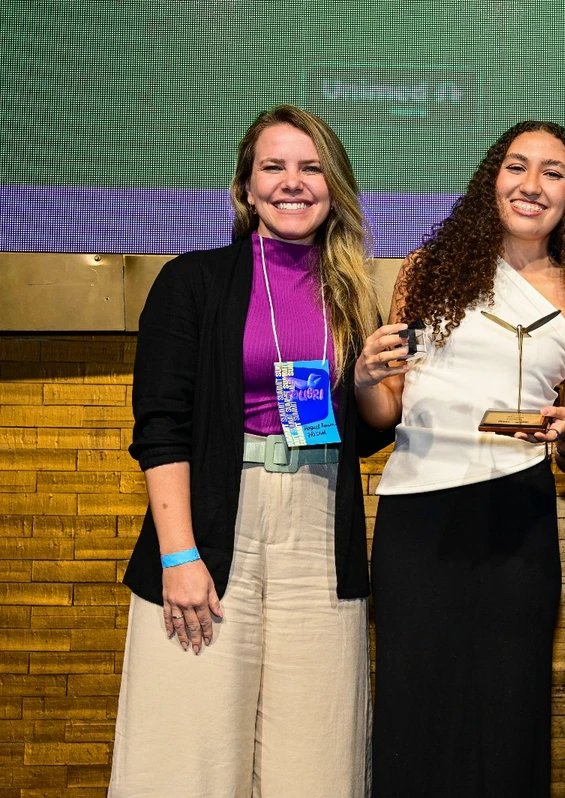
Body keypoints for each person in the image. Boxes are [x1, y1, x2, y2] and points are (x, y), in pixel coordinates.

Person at [109, 105, 387, 797]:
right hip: (211, 529)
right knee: (188, 756)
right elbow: (161, 427)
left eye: (311, 167)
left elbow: (370, 433)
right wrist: (179, 557)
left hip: (321, 534)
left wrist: (371, 383)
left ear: (335, 186)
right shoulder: (191, 281)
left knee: (317, 763)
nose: (293, 183)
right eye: (274, 167)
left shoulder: (353, 295)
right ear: (245, 186)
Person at [355, 120, 565, 797]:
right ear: (489, 180)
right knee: (416, 712)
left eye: (552, 173)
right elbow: (387, 409)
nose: (531, 185)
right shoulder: (427, 271)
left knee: (507, 714)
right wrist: (361, 381)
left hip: (515, 519)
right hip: (416, 514)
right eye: (516, 167)